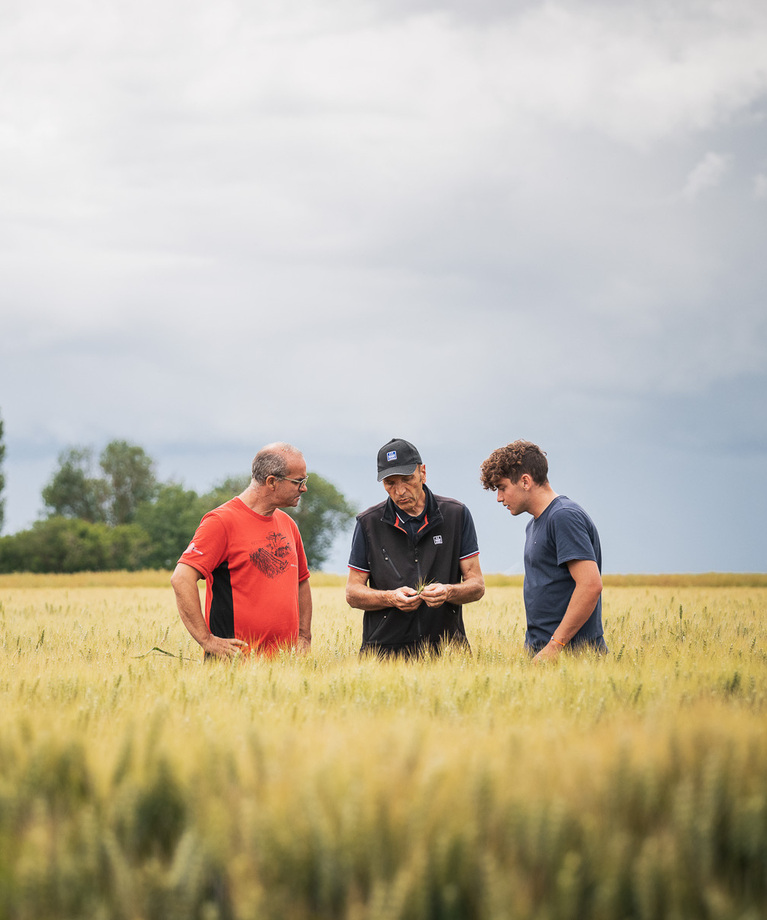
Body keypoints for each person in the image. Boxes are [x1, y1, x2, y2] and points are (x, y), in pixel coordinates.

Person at [171, 442, 312, 659]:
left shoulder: (288, 525)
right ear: (272, 482)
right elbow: (181, 578)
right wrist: (206, 640)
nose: (304, 488)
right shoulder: (220, 522)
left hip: (285, 667)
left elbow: (301, 581)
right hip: (234, 666)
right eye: (298, 481)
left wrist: (304, 636)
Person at [346, 437, 485, 658]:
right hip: (383, 656)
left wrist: (448, 592)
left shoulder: (456, 515)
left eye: (407, 479)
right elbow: (353, 593)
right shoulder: (368, 523)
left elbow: (477, 586)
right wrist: (390, 598)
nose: (400, 491)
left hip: (448, 653)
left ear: (423, 472)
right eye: (390, 483)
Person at [480, 440, 606, 661]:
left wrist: (555, 646)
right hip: (546, 656)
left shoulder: (563, 516)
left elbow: (590, 585)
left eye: (502, 488)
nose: (499, 498)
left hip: (574, 658)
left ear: (526, 481)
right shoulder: (535, 524)